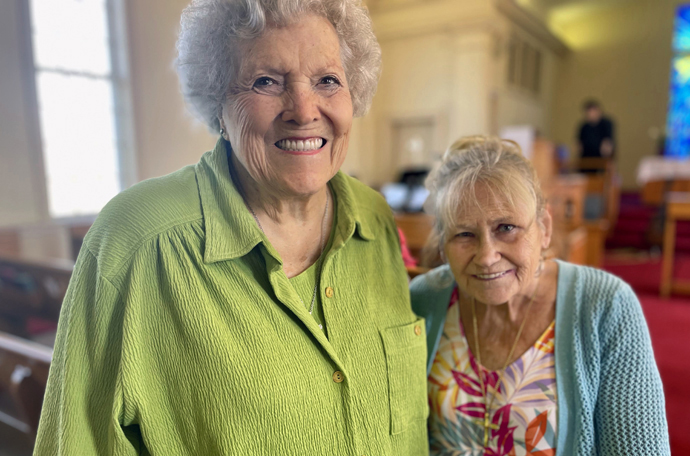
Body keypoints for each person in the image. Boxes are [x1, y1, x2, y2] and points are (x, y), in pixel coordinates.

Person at [33, 1, 429, 454]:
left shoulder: (375, 219)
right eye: (266, 81)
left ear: (353, 94)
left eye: (328, 80)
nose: (303, 109)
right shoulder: (136, 243)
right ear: (217, 103)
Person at [411, 136, 669, 455]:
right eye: (464, 234)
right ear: (443, 243)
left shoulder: (605, 304)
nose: (487, 256)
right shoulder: (424, 299)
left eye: (506, 228)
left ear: (544, 227)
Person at [577, 99, 615, 166]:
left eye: (593, 111)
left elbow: (608, 144)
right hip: (586, 160)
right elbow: (579, 144)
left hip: (601, 160)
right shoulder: (584, 127)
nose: (591, 114)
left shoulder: (606, 124)